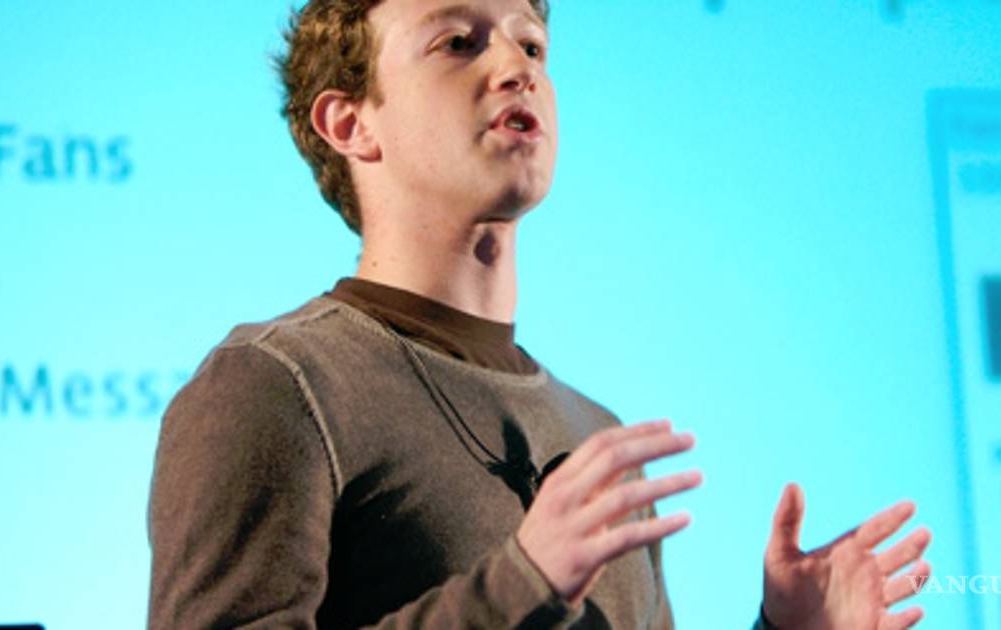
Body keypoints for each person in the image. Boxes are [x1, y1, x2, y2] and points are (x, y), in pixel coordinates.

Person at [146, 0, 933, 628]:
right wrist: (522, 584)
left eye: (532, 46)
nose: (516, 68)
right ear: (351, 124)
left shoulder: (595, 432)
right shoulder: (277, 385)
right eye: (458, 43)